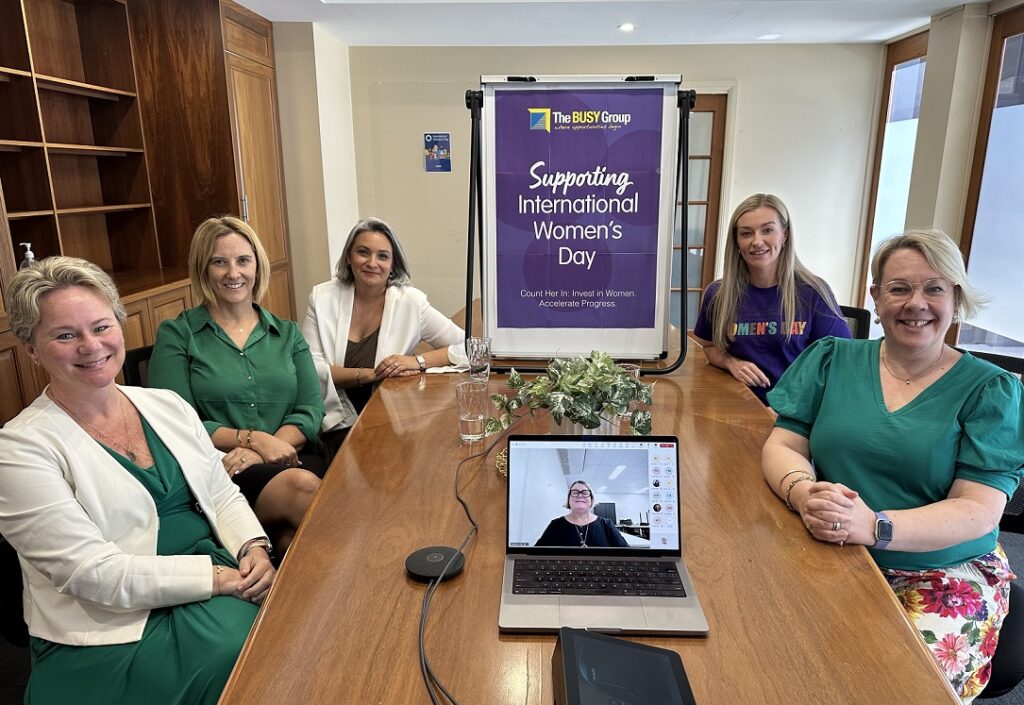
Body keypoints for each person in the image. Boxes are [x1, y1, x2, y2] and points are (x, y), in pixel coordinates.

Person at [761, 229, 1023, 702]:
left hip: (941, 571)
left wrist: (875, 527)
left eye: (934, 288)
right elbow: (784, 443)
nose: (915, 303)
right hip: (827, 548)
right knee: (774, 662)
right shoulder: (831, 358)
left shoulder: (991, 390)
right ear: (876, 297)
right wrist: (802, 491)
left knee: (888, 689)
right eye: (899, 288)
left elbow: (978, 510)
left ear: (956, 297)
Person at [0, 257, 275, 705]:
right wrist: (221, 578)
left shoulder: (166, 404)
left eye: (101, 326)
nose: (91, 346)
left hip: (219, 573)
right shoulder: (19, 449)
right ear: (32, 348)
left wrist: (254, 548)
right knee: (255, 657)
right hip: (112, 624)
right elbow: (91, 574)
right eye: (65, 335)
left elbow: (222, 493)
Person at [148, 216, 324, 553]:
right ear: (203, 270)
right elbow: (175, 420)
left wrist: (265, 449)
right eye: (219, 262)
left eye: (243, 260)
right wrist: (253, 441)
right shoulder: (177, 335)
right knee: (304, 492)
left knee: (291, 539)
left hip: (294, 454)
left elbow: (310, 410)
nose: (233, 273)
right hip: (223, 469)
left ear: (257, 266)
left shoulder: (286, 332)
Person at [302, 217, 467, 455]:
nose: (372, 263)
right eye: (363, 252)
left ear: (393, 264)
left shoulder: (410, 302)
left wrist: (417, 362)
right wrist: (371, 374)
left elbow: (472, 347)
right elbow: (310, 367)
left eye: (382, 256)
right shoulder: (322, 298)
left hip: (392, 422)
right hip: (332, 421)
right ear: (348, 257)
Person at [693, 193, 851, 404]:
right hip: (737, 407)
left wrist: (789, 411)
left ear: (784, 235)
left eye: (767, 230)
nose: (757, 241)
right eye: (746, 233)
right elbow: (709, 347)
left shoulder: (814, 292)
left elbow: (839, 363)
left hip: (796, 413)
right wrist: (732, 363)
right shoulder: (718, 293)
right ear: (737, 242)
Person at [535, 481, 629, 548]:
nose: (580, 495)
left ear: (591, 499)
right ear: (568, 499)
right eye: (575, 492)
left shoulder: (606, 524)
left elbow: (627, 553)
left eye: (585, 492)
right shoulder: (555, 525)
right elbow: (536, 554)